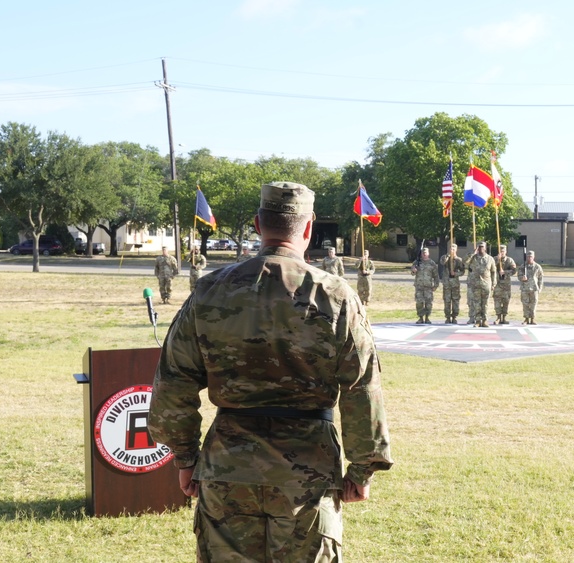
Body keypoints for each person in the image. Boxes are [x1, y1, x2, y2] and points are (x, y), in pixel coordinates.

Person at [148, 181, 393, 562]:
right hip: (307, 473)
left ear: (259, 225)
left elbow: (174, 381)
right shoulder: (335, 295)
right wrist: (362, 468)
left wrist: (184, 457)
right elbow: (362, 388)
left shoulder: (211, 290)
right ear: (308, 228)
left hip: (228, 466)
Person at [465, 241, 497, 327]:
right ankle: (478, 321)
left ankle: (485, 320)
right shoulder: (473, 258)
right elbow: (465, 264)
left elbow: (493, 272)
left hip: (486, 284)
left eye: (482, 247)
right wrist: (472, 254)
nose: (480, 248)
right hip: (475, 284)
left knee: (485, 303)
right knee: (477, 303)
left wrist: (494, 283)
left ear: (485, 248)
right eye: (479, 247)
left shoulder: (490, 259)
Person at [411, 247, 440, 324]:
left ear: (428, 253)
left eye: (426, 252)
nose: (424, 254)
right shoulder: (417, 262)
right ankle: (420, 318)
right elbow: (412, 273)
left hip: (428, 287)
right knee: (419, 302)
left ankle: (427, 318)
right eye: (423, 253)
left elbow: (436, 276)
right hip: (419, 286)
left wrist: (435, 285)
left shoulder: (432, 263)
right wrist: (414, 270)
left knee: (428, 303)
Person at [439, 243, 466, 324]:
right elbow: (442, 262)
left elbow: (462, 272)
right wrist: (448, 255)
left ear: (456, 250)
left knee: (455, 300)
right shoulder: (445, 257)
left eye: (454, 249)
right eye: (451, 249)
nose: (452, 250)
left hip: (455, 284)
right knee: (447, 301)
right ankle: (447, 317)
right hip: (447, 284)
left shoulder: (459, 260)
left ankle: (454, 316)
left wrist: (455, 273)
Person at [517, 250, 544, 325]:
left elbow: (540, 278)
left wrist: (540, 288)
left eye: (531, 256)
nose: (529, 258)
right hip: (524, 288)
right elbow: (518, 276)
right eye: (528, 256)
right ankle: (526, 318)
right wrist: (522, 278)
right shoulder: (523, 266)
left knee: (533, 304)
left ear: (534, 257)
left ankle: (532, 318)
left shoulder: (537, 267)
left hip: (534, 288)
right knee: (525, 304)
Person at [493, 244, 518, 324]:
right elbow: (491, 268)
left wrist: (505, 272)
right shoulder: (494, 259)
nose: (502, 253)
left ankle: (504, 317)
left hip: (506, 285)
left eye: (503, 251)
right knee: (497, 300)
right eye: (500, 251)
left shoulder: (509, 260)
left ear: (506, 252)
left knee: (506, 301)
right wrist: (497, 260)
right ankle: (498, 317)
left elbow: (514, 271)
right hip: (497, 283)